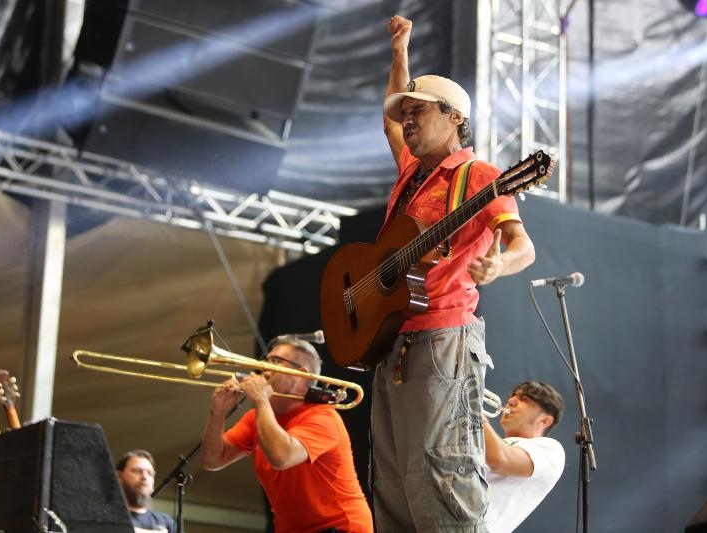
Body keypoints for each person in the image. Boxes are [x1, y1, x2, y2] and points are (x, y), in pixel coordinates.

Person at [372, 15, 537, 532]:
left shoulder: (479, 176)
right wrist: (400, 50)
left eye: (419, 112)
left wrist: (499, 264)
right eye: (408, 114)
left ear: (453, 117)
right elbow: (388, 119)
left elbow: (522, 246)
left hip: (442, 336)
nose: (409, 121)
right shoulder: (410, 175)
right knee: (394, 482)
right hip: (392, 337)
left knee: (438, 473)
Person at [201, 335, 373, 533]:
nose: (262, 367)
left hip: (340, 528)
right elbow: (212, 460)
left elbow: (282, 457)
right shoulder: (257, 417)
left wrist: (261, 400)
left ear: (301, 375)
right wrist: (218, 413)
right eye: (265, 360)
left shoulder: (323, 417)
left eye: (274, 361)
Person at [484, 381, 566, 532]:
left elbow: (501, 461)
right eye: (513, 395)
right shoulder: (493, 444)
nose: (511, 401)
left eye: (524, 399)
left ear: (545, 420)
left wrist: (476, 416)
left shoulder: (550, 449)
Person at [116, 450, 178, 533]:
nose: (145, 477)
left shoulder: (166, 522)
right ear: (119, 476)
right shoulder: (107, 517)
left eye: (149, 473)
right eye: (137, 471)